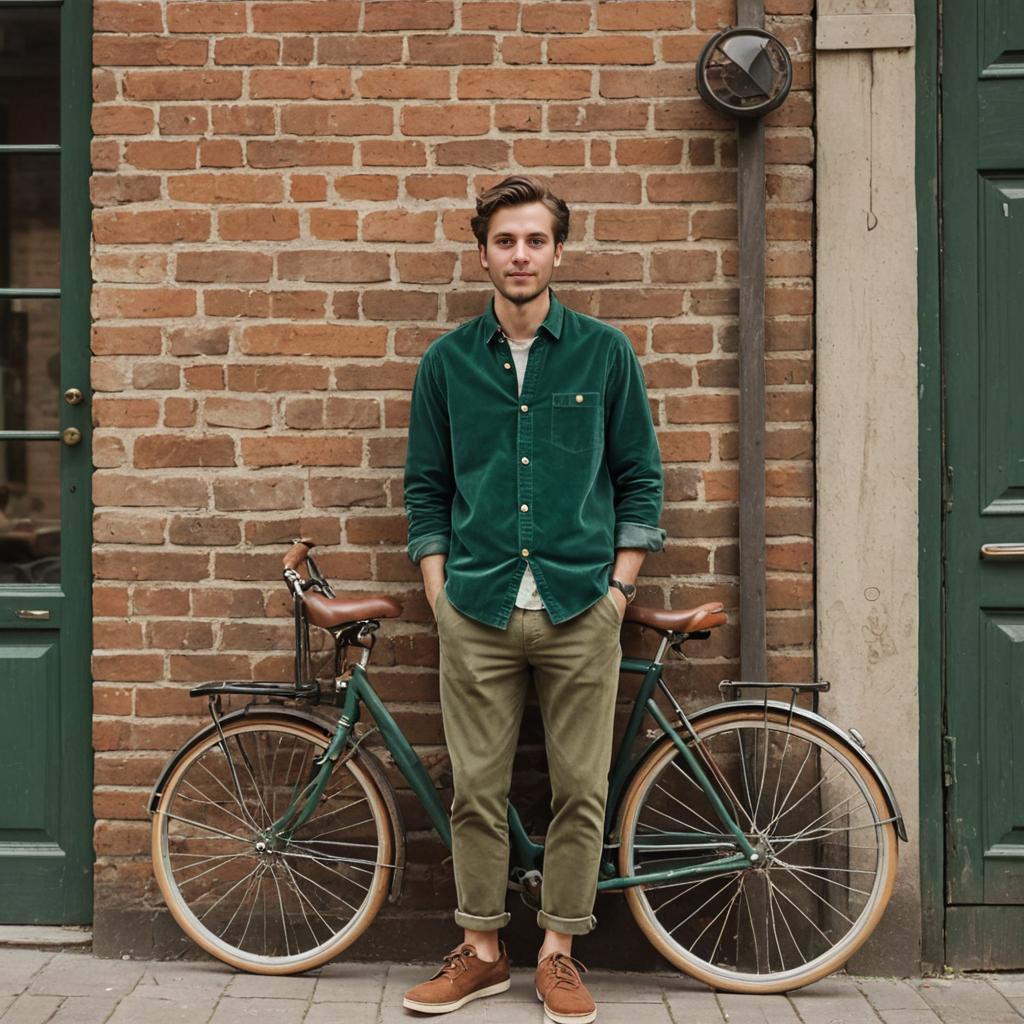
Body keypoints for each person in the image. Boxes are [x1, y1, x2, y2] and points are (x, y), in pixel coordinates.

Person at [402, 175, 666, 1022]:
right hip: (476, 605)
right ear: (482, 253)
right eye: (506, 241)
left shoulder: (604, 353)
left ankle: (559, 952)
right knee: (476, 789)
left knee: (580, 789)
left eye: (536, 240)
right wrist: (439, 594)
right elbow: (426, 491)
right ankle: (481, 950)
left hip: (580, 603)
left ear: (559, 250)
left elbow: (640, 480)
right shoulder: (446, 363)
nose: (521, 256)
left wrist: (619, 591)